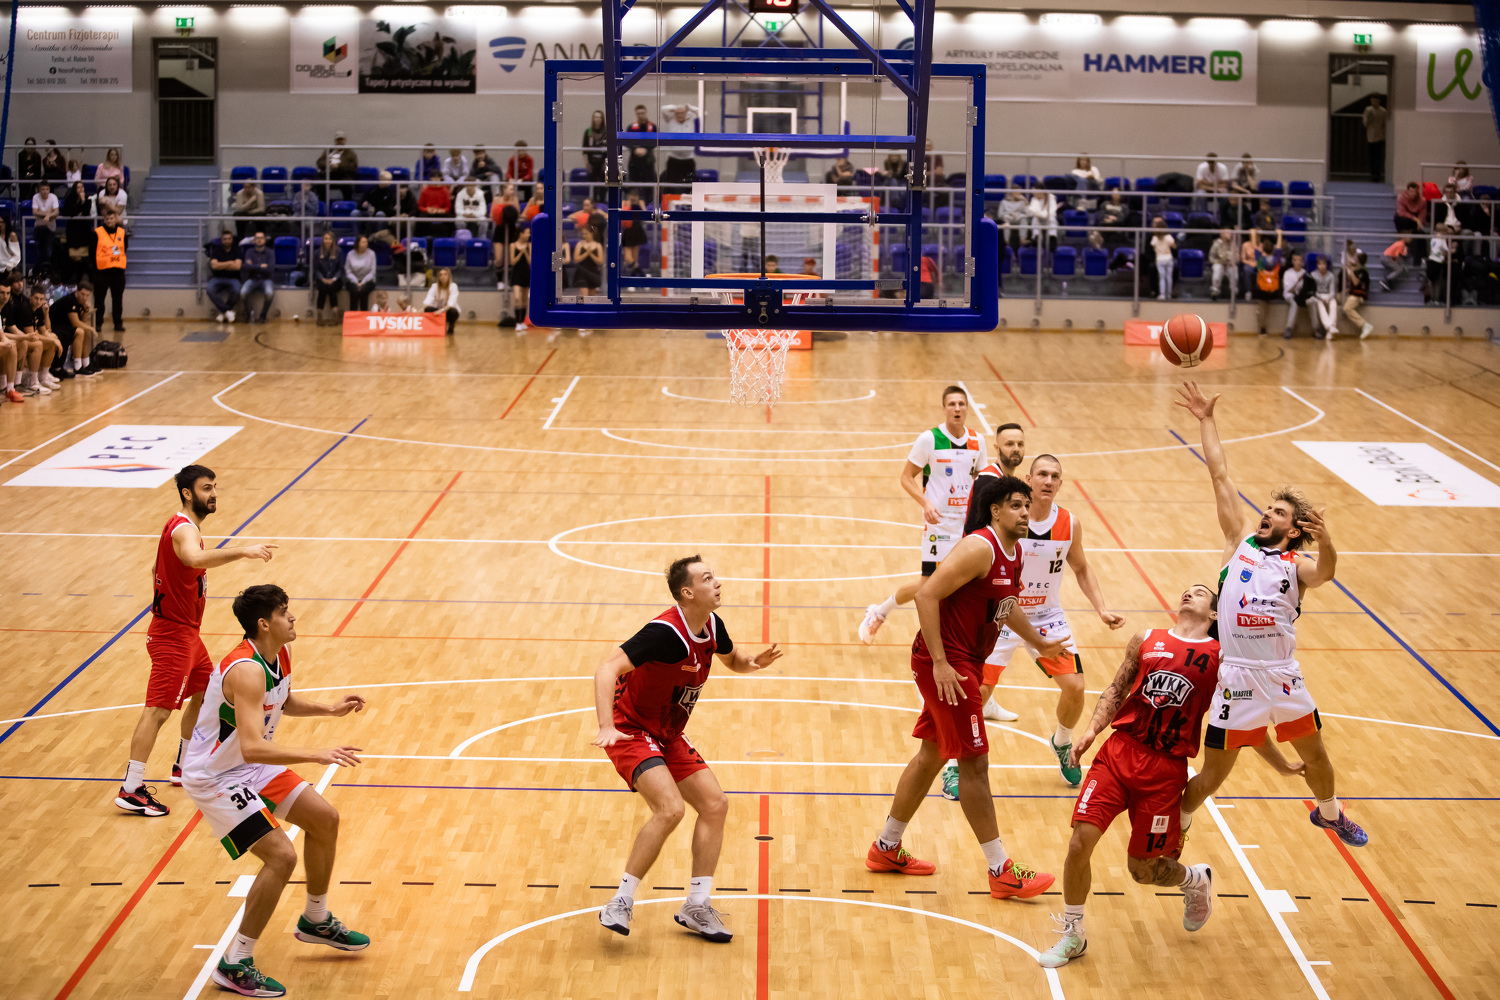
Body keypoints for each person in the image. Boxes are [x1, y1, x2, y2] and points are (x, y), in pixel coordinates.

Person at [1036, 584, 1307, 968]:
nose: (1188, 593)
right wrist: (1092, 730)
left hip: (1165, 771)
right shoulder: (1145, 639)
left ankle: (1194, 880)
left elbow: (1241, 720)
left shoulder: (1222, 660)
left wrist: (1280, 764)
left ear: (1214, 614)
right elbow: (1116, 689)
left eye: (1200, 593)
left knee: (1143, 871)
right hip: (1119, 753)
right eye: (1187, 590)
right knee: (1080, 841)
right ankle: (1073, 932)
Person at [1173, 382, 1369, 847]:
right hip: (1236, 675)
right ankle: (1175, 829)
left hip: (1282, 675)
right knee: (1212, 776)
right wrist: (1206, 420)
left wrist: (1328, 541)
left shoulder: (1296, 566)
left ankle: (1329, 813)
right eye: (1267, 507)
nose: (1266, 512)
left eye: (1277, 511)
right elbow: (1220, 476)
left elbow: (1326, 573)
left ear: (1293, 528)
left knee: (1316, 757)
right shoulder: (1238, 544)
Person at [864, 475, 1062, 898]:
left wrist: (1040, 642)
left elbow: (1006, 605)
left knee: (931, 755)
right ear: (995, 511)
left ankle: (885, 847)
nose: (1025, 512)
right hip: (949, 665)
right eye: (1016, 505)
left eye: (1027, 506)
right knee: (974, 765)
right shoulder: (979, 547)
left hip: (965, 661)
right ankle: (1000, 870)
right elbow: (926, 596)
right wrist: (939, 662)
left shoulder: (1015, 551)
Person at [183, 584, 370, 998]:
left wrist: (329, 709)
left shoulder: (278, 654)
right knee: (281, 856)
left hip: (249, 765)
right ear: (264, 624)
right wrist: (315, 753)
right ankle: (236, 962)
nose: (293, 617)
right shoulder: (245, 670)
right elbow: (252, 745)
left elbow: (281, 702)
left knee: (325, 819)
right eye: (285, 612)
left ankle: (315, 919)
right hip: (217, 776)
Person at [592, 555, 783, 940]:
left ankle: (696, 905)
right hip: (631, 728)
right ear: (688, 592)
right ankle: (620, 902)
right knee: (671, 809)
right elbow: (606, 668)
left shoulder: (711, 625)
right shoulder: (664, 633)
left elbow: (732, 659)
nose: (718, 583)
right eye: (708, 578)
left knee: (715, 804)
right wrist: (606, 726)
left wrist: (752, 662)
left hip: (667, 732)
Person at [115, 466, 277, 816]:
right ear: (187, 493)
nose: (213, 493)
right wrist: (242, 551)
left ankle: (183, 766)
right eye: (206, 488)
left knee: (206, 691)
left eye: (214, 487)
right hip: (172, 635)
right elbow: (192, 558)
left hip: (187, 633)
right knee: (157, 710)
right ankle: (131, 788)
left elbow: (161, 569)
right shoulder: (184, 529)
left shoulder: (183, 528)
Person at [960, 453, 1124, 797]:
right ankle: (952, 765)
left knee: (1076, 687)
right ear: (1029, 480)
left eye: (1055, 476)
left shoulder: (1069, 523)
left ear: (1060, 483)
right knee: (979, 693)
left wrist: (1101, 609)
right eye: (1042, 475)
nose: (1048, 481)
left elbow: (1081, 567)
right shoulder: (1009, 520)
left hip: (1047, 616)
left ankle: (1061, 742)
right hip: (1003, 615)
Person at [859, 386, 987, 644]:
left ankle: (961, 637)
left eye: (961, 404)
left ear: (967, 408)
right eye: (952, 404)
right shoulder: (930, 439)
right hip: (938, 525)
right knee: (928, 585)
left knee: (966, 583)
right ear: (944, 408)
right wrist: (925, 503)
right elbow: (906, 477)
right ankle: (879, 611)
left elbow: (982, 480)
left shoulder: (978, 441)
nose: (957, 408)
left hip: (967, 526)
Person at [90, 207, 128, 334]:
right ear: (104, 220)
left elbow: (124, 248)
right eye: (107, 219)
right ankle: (98, 323)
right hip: (102, 272)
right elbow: (92, 252)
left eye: (112, 218)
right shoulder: (97, 233)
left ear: (116, 219)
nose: (110, 221)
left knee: (117, 300)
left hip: (118, 272)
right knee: (99, 300)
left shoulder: (122, 233)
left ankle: (118, 323)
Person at [49, 281, 98, 379]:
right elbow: (75, 323)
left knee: (86, 331)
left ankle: (86, 363)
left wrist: (85, 311)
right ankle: (78, 366)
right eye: (82, 294)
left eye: (87, 295)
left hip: (65, 327)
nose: (84, 297)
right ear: (77, 291)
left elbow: (82, 322)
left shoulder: (80, 302)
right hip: (55, 326)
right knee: (80, 332)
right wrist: (92, 328)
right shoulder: (70, 300)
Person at [205, 229, 242, 323]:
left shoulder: (237, 250)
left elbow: (237, 266)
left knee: (237, 290)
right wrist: (230, 263)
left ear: (232, 240)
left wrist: (220, 265)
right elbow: (214, 266)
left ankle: (222, 312)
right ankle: (228, 311)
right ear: (222, 240)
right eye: (225, 239)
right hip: (218, 277)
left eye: (229, 239)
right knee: (209, 290)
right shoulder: (216, 250)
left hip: (233, 278)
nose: (227, 241)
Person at [1251, 229, 1284, 334]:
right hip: (1274, 291)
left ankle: (1262, 328)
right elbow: (1279, 247)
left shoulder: (1260, 260)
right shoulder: (1276, 260)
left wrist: (1253, 234)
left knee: (1261, 309)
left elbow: (1254, 247)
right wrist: (1279, 234)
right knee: (1265, 308)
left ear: (1263, 249)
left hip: (1262, 290)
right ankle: (1263, 327)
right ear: (1272, 249)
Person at [239, 230, 276, 324]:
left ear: (264, 240)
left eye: (261, 238)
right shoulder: (249, 252)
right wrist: (260, 266)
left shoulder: (270, 252)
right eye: (257, 238)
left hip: (266, 279)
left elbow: (270, 269)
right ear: (254, 240)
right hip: (252, 279)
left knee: (269, 294)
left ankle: (263, 316)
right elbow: (246, 268)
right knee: (243, 293)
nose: (259, 240)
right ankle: (249, 314)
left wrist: (254, 266)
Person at [659, 104, 700, 185]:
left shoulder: (691, 120)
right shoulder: (670, 120)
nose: (680, 115)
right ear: (674, 113)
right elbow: (663, 108)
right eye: (677, 113)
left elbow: (702, 112)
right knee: (671, 185)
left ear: (686, 113)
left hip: (688, 159)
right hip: (673, 159)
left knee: (689, 185)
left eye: (682, 113)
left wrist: (689, 107)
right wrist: (676, 108)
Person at [1338, 249, 1373, 340]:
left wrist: (1350, 270)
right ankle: (1363, 326)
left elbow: (1356, 283)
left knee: (1347, 308)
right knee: (1342, 303)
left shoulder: (1363, 272)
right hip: (1353, 294)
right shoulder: (1357, 271)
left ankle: (1364, 325)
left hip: (1359, 296)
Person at [502, 226, 532, 330]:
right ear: (521, 234)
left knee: (524, 298)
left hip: (526, 272)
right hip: (516, 272)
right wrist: (520, 253)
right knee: (517, 297)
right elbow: (512, 262)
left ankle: (522, 321)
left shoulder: (529, 245)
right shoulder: (513, 245)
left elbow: (530, 261)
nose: (529, 235)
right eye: (527, 233)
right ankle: (517, 322)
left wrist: (525, 252)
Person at [312, 230, 344, 325]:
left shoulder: (339, 252)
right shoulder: (317, 253)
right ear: (323, 240)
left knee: (331, 287)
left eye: (330, 239)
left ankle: (335, 316)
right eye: (326, 238)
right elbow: (316, 269)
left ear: (333, 240)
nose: (328, 241)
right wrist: (323, 279)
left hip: (336, 279)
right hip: (322, 278)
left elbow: (340, 269)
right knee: (322, 288)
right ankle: (319, 316)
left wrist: (333, 279)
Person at [316, 132, 359, 199]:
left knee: (347, 186)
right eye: (338, 140)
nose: (339, 142)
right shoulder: (328, 151)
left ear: (345, 140)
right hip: (329, 175)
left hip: (343, 176)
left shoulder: (350, 153)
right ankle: (323, 203)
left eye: (341, 139)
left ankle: (347, 204)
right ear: (335, 141)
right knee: (320, 184)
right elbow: (319, 162)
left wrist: (339, 166)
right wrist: (328, 164)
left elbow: (353, 167)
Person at [343, 234, 377, 311]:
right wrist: (356, 282)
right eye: (363, 242)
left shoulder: (371, 254)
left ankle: (364, 314)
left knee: (363, 291)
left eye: (366, 242)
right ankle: (353, 314)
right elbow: (348, 271)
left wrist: (362, 282)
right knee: (354, 291)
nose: (366, 244)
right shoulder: (350, 254)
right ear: (358, 243)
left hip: (368, 280)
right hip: (352, 280)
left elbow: (372, 272)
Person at [625, 104, 658, 185]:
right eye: (638, 113)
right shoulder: (631, 128)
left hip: (648, 160)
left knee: (648, 184)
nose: (640, 115)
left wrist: (646, 149)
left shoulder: (653, 127)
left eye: (642, 113)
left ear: (646, 113)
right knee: (633, 184)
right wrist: (635, 149)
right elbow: (626, 141)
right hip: (634, 160)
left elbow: (656, 141)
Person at [423, 267, 460, 335]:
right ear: (438, 277)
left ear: (448, 276)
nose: (443, 276)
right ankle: (435, 327)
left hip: (447, 311)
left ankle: (451, 327)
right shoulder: (434, 286)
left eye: (445, 274)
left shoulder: (453, 286)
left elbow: (451, 304)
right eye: (441, 275)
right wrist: (421, 310)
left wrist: (441, 311)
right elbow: (428, 299)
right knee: (427, 309)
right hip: (437, 310)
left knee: (453, 311)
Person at [32, 179, 60, 269]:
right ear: (39, 190)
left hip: (50, 228)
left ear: (49, 190)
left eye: (47, 189)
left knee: (48, 252)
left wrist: (47, 215)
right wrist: (48, 214)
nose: (45, 191)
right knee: (40, 252)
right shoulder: (35, 197)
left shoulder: (53, 197)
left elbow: (56, 212)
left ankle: (38, 271)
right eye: (43, 189)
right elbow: (34, 212)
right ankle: (38, 271)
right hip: (39, 228)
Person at [570, 224, 604, 299]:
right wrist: (586, 253)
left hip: (593, 271)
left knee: (591, 297)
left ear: (592, 234)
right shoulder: (580, 244)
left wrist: (591, 253)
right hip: (582, 271)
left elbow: (600, 261)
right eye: (583, 234)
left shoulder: (598, 245)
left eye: (586, 234)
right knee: (584, 295)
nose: (584, 236)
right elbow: (576, 259)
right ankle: (583, 306)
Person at [1309, 255, 1338, 339]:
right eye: (1320, 264)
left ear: (1326, 265)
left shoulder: (1331, 276)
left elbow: (1332, 290)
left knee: (1333, 303)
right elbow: (1313, 290)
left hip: (1328, 295)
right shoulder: (1313, 275)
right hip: (1318, 296)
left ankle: (1330, 329)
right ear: (1317, 265)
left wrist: (1329, 298)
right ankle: (1330, 326)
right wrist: (1320, 297)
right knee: (1320, 305)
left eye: (1323, 264)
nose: (1321, 266)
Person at [417, 169, 452, 237]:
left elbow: (448, 207)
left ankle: (450, 238)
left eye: (437, 177)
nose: (436, 179)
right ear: (431, 179)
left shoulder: (445, 191)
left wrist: (442, 210)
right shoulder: (425, 191)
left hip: (440, 212)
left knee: (450, 218)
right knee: (421, 218)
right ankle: (420, 238)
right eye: (434, 177)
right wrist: (427, 209)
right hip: (428, 212)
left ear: (440, 178)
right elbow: (420, 206)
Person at [1362, 95, 1387, 183]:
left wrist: (1384, 136)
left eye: (1376, 100)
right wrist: (1368, 117)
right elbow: (1365, 123)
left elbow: (1385, 124)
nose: (1374, 102)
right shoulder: (1368, 110)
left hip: (1380, 136)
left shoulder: (1383, 111)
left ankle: (1377, 175)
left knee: (1378, 157)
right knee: (1372, 157)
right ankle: (1372, 174)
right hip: (1370, 136)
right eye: (1373, 100)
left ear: (1379, 101)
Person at [1281, 251, 1306, 339]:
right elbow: (1289, 290)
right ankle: (1288, 328)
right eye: (1295, 260)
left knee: (1314, 301)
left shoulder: (1305, 273)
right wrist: (1297, 282)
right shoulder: (1287, 273)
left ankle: (1317, 328)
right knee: (1294, 303)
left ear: (1302, 262)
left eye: (1299, 260)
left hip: (1301, 296)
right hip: (1290, 296)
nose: (1297, 262)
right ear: (1292, 262)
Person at [1208, 229, 1238, 302]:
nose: (1229, 234)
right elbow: (1211, 257)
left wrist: (1233, 261)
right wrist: (1217, 262)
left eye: (1230, 233)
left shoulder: (1233, 244)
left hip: (1229, 264)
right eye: (1227, 233)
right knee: (1217, 269)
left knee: (1234, 270)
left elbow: (1237, 256)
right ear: (1222, 234)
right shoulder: (1216, 243)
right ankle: (1215, 291)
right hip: (1219, 263)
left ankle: (1233, 291)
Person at [1150, 217, 1176, 300]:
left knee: (1162, 277)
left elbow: (1153, 247)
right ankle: (1169, 294)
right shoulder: (1168, 237)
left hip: (1160, 258)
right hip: (1168, 258)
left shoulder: (1155, 238)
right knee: (1169, 277)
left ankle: (1162, 295)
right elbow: (1174, 246)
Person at [583, 109, 609, 190]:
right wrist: (587, 163)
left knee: (603, 187)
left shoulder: (606, 132)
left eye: (600, 117)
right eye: (596, 117)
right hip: (592, 162)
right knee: (593, 187)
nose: (598, 119)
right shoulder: (588, 132)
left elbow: (610, 150)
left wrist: (607, 164)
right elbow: (584, 149)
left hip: (603, 163)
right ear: (593, 118)